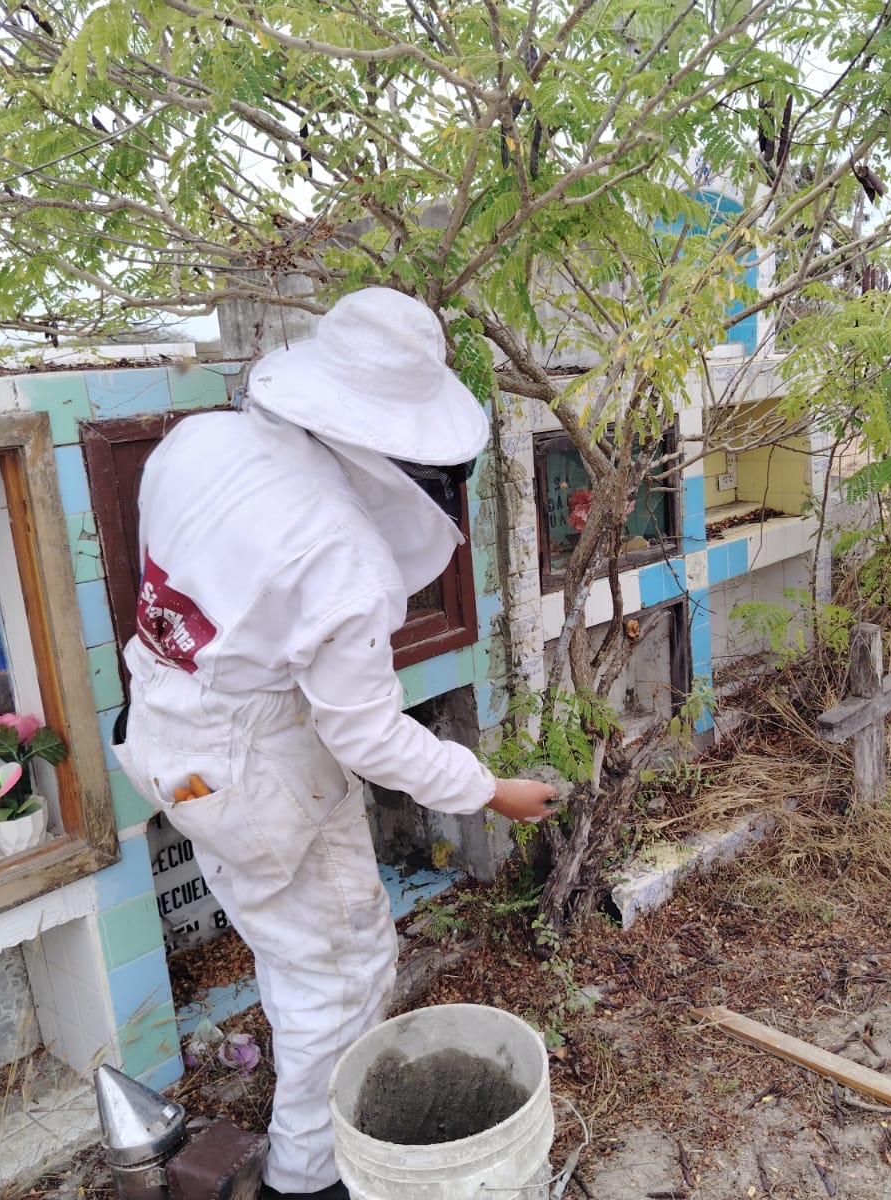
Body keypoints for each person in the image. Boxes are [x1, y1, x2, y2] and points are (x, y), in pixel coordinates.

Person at [114, 287, 560, 1200]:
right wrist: (488, 790)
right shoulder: (338, 551)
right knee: (342, 972)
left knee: (293, 951)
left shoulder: (198, 442)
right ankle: (308, 1178)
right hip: (257, 769)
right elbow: (366, 734)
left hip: (172, 739)